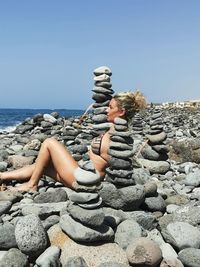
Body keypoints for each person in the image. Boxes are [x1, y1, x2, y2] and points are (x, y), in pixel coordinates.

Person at [0, 91, 146, 192]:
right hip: (83, 175)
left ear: (121, 112)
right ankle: (2, 177)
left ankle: (31, 185)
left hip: (87, 180)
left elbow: (117, 163)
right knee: (42, 165)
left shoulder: (119, 136)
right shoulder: (115, 131)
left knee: (49, 142)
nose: (107, 110)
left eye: (111, 107)